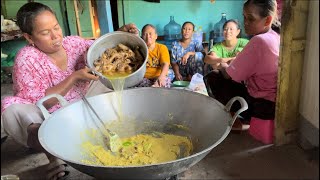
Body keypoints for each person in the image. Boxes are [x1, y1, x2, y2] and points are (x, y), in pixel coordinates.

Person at [0, 2, 139, 180]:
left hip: (82, 99)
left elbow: (99, 46)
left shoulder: (72, 43)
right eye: (45, 33)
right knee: (14, 110)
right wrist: (73, 78)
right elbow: (42, 103)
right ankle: (54, 157)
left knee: (108, 81)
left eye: (56, 27)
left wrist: (120, 32)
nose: (55, 36)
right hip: (49, 114)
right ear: (29, 37)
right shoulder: (26, 59)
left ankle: (108, 128)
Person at [204, 0, 281, 130]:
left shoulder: (258, 41)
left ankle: (234, 119)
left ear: (267, 20)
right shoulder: (275, 35)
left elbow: (228, 75)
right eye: (244, 17)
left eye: (250, 19)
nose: (245, 22)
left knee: (213, 76)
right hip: (273, 101)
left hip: (262, 105)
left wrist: (222, 64)